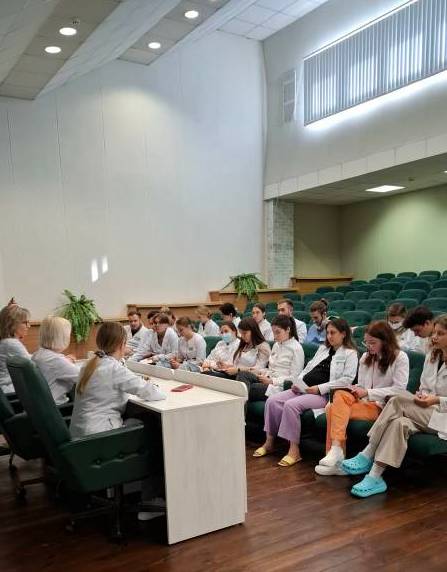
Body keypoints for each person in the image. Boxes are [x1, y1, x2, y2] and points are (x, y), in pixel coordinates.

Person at [343, 314, 447, 498]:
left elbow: (436, 398)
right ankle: (375, 477)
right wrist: (422, 395)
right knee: (399, 423)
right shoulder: (432, 355)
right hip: (427, 412)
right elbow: (424, 386)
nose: (434, 337)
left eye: (441, 333)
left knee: (397, 399)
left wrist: (435, 400)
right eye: (434, 332)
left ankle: (369, 450)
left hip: (443, 418)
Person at [255, 318, 358, 467]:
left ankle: (294, 451)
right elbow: (308, 367)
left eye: (333, 333)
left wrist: (319, 388)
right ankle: (269, 442)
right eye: (328, 333)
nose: (329, 336)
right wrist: (298, 382)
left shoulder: (350, 353)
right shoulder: (323, 349)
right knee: (272, 401)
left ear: (343, 334)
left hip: (323, 394)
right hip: (304, 388)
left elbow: (346, 380)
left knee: (291, 405)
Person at [314, 321, 409, 476]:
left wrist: (367, 392)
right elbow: (362, 385)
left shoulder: (400, 357)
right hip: (364, 403)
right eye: (366, 342)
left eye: (373, 343)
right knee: (338, 397)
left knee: (332, 408)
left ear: (385, 341)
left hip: (384, 408)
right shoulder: (365, 357)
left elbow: (399, 390)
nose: (368, 346)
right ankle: (337, 452)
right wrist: (355, 389)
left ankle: (337, 457)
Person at [70, 322, 166, 438]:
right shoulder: (114, 369)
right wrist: (154, 386)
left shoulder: (88, 364)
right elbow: (152, 392)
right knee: (150, 419)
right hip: (99, 435)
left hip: (79, 432)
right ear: (122, 345)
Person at [237, 315, 304, 402]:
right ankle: (239, 407)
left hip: (279, 386)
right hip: (267, 378)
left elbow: (295, 378)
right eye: (273, 332)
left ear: (288, 329)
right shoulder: (276, 345)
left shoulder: (297, 349)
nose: (275, 337)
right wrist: (260, 372)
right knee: (242, 375)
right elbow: (272, 368)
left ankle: (239, 409)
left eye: (278, 332)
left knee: (248, 388)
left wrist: (272, 381)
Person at [213, 318, 271, 390]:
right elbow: (236, 364)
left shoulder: (263, 346)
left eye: (245, 333)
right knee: (210, 374)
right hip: (236, 374)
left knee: (242, 375)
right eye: (241, 333)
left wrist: (238, 370)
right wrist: (227, 366)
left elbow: (258, 369)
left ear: (253, 331)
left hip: (251, 377)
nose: (242, 336)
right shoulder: (244, 344)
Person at [32, 316, 80, 405]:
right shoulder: (55, 360)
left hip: (41, 406)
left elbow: (56, 367)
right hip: (59, 408)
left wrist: (65, 361)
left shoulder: (37, 355)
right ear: (62, 337)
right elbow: (84, 378)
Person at [0, 304, 31, 394]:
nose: (29, 326)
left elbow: (28, 358)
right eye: (25, 322)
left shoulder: (5, 342)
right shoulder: (11, 343)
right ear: (13, 324)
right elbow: (33, 366)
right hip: (10, 392)